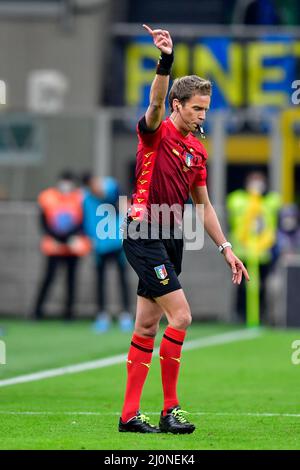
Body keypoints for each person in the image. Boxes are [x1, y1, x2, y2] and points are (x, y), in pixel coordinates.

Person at [119, 24, 249, 434]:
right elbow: (154, 100)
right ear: (177, 105)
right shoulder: (156, 131)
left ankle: (128, 417)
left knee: (145, 326)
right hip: (144, 232)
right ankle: (169, 409)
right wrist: (166, 60)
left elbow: (204, 205)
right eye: (196, 108)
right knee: (182, 316)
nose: (202, 115)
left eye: (206, 109)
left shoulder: (196, 149)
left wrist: (225, 246)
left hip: (172, 237)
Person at [33, 171, 91, 320]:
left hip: (73, 246)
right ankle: (37, 311)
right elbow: (43, 221)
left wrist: (71, 237)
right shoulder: (47, 197)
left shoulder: (80, 198)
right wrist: (56, 237)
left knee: (71, 281)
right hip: (54, 246)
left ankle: (69, 313)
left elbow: (83, 221)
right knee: (48, 278)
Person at [227, 171, 281, 323]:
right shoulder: (237, 199)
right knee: (241, 285)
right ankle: (240, 314)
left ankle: (262, 314)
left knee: (262, 285)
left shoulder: (271, 200)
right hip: (242, 251)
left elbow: (274, 222)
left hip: (263, 251)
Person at [82, 174, 133, 332]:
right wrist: (90, 239)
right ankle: (102, 315)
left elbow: (123, 205)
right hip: (100, 245)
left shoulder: (113, 188)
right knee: (100, 281)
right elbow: (87, 221)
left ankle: (126, 315)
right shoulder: (86, 200)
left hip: (117, 242)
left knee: (122, 279)